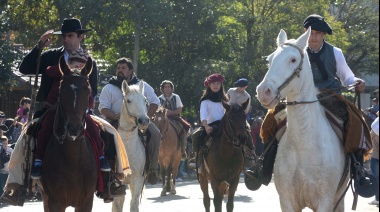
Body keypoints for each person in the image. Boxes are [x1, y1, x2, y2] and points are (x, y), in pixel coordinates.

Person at [0, 18, 125, 205]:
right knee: (27, 136)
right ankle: (20, 184)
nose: (66, 40)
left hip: (79, 111)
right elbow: (24, 67)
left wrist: (84, 106)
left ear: (80, 37)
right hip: (50, 109)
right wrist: (39, 46)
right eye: (64, 36)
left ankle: (109, 179)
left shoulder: (89, 62)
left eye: (70, 36)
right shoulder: (51, 56)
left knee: (107, 133)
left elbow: (94, 89)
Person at [245, 14, 372, 191]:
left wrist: (356, 81)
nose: (314, 36)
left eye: (318, 33)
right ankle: (263, 166)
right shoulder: (294, 51)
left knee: (356, 122)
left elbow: (347, 76)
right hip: (298, 97)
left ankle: (359, 172)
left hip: (329, 96)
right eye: (311, 32)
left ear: (323, 35)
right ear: (306, 32)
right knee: (270, 122)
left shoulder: (335, 52)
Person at [98, 57, 161, 185]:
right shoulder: (109, 87)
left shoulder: (141, 85)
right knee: (102, 135)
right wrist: (116, 117)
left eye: (124, 68)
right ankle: (106, 171)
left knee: (155, 133)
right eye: (118, 68)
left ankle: (153, 167)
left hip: (140, 120)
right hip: (115, 120)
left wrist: (145, 117)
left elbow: (155, 102)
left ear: (130, 70)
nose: (120, 71)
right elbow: (103, 107)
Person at [188, 73, 228, 173]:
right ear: (209, 85)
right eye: (213, 83)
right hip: (210, 127)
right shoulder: (204, 101)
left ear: (221, 86)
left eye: (218, 83)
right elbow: (203, 116)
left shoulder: (225, 100)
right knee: (196, 136)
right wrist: (206, 127)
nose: (216, 85)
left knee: (241, 133)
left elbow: (228, 114)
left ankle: (248, 158)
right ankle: (198, 161)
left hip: (224, 126)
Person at [227, 78, 256, 166]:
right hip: (228, 114)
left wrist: (238, 110)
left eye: (241, 87)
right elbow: (225, 100)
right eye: (238, 86)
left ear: (245, 87)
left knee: (246, 131)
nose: (239, 88)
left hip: (239, 117)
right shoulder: (230, 91)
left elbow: (246, 110)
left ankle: (252, 154)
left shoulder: (247, 97)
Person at [158, 80, 190, 159]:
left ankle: (182, 149)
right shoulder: (159, 98)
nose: (167, 88)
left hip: (175, 118)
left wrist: (171, 112)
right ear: (163, 89)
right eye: (165, 87)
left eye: (169, 86)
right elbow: (158, 111)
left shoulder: (176, 97)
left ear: (171, 88)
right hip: (162, 119)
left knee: (184, 127)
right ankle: (154, 149)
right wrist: (164, 113)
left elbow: (179, 110)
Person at [369, 112, 379, 206]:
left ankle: (377, 198)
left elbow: (370, 138)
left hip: (376, 156)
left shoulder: (375, 128)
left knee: (375, 178)